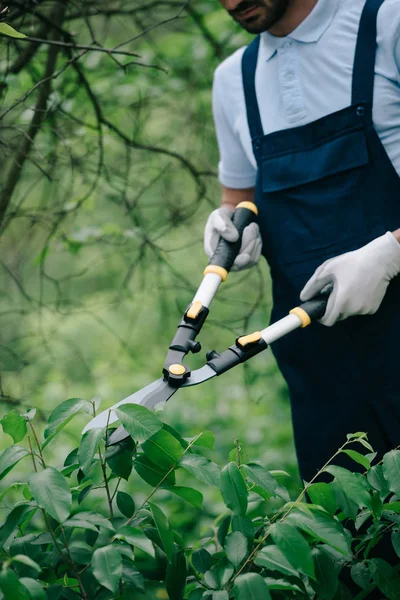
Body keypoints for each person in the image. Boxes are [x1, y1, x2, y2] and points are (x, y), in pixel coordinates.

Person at [204, 0, 400, 485]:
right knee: (358, 551)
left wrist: (391, 251)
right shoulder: (234, 79)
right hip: (323, 380)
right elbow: (242, 194)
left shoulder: (387, 24)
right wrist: (235, 224)